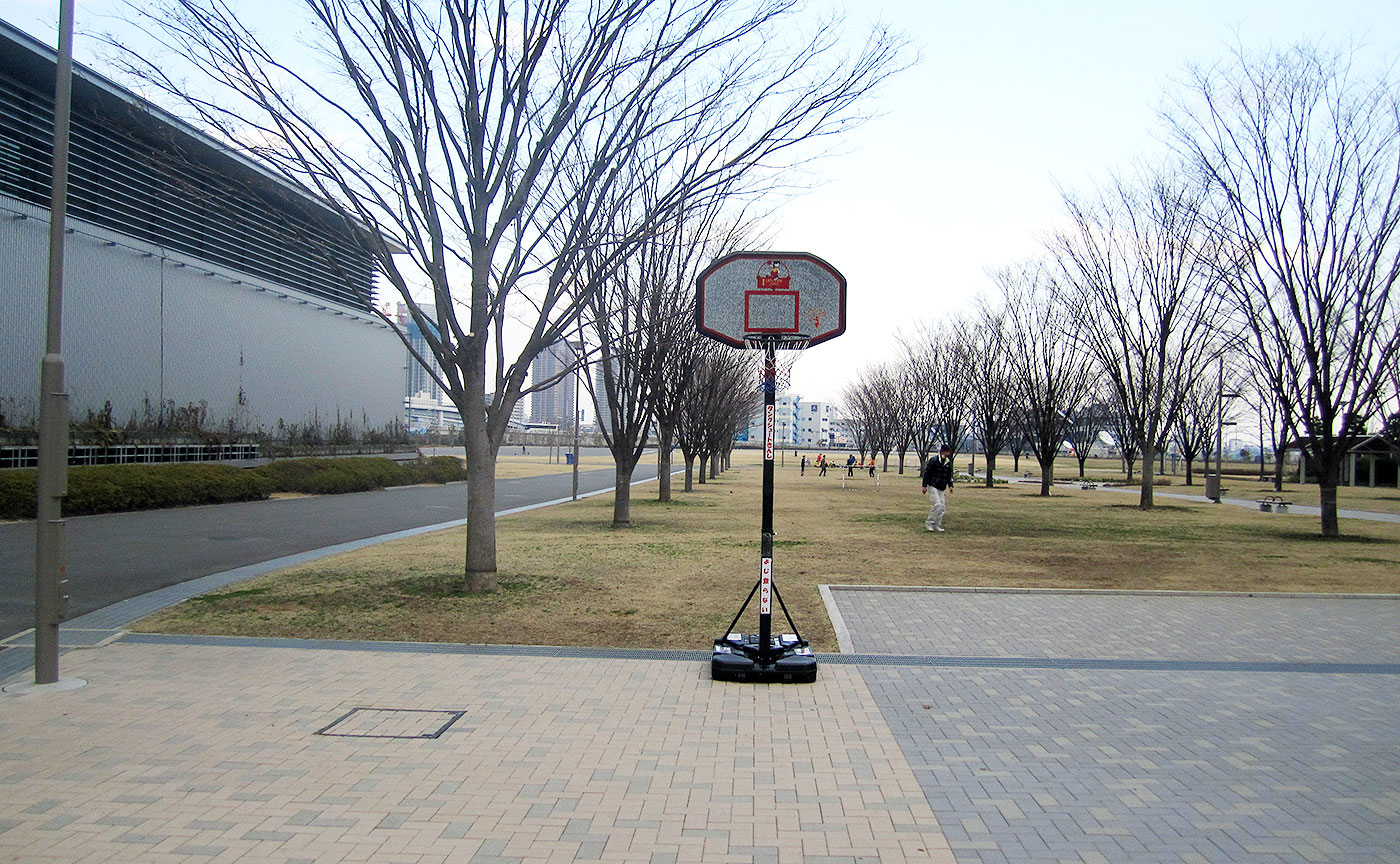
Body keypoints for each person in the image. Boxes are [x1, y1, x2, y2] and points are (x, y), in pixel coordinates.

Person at [921, 445, 955, 532]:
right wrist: (924, 486)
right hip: (933, 485)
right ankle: (929, 523)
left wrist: (950, 485)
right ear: (942, 451)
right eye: (947, 452)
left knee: (942, 507)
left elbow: (949, 475)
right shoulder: (933, 461)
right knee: (937, 505)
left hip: (942, 487)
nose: (948, 453)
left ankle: (936, 524)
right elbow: (927, 474)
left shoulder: (948, 463)